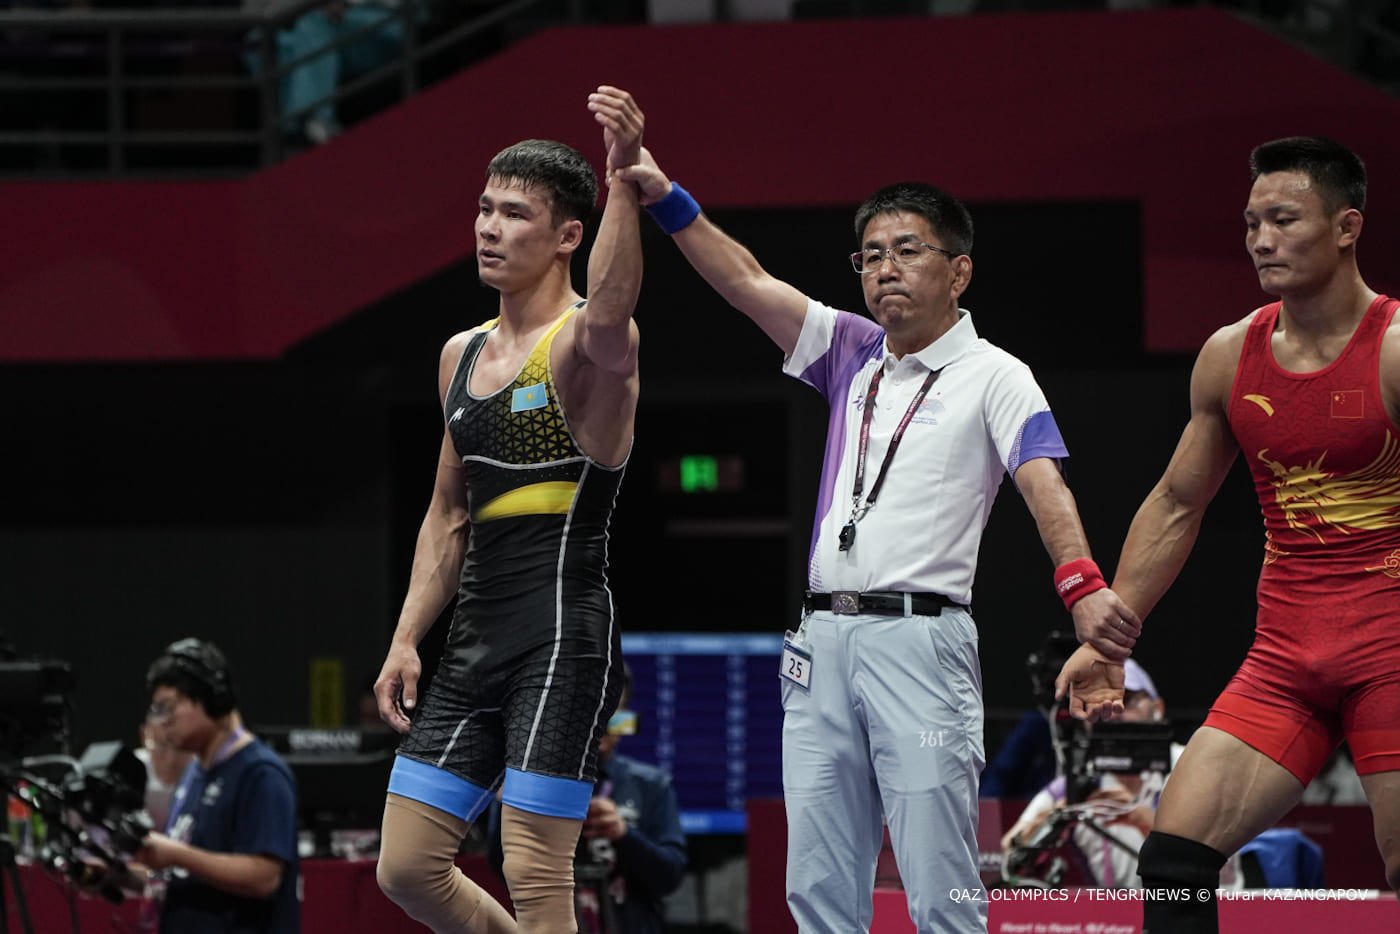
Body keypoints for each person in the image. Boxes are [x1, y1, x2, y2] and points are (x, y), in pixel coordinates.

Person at [612, 127, 1140, 933]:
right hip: (820, 643)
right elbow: (746, 281)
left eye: (907, 250)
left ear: (959, 272)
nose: (884, 268)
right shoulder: (851, 351)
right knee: (817, 885)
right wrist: (665, 197)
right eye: (869, 255)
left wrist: (1084, 592)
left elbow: (1045, 484)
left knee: (939, 885)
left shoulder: (997, 375)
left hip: (920, 644)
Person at [1057, 136, 1400, 932]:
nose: (1261, 240)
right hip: (1287, 661)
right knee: (1173, 859)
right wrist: (1108, 642)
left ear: (1347, 227)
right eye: (1251, 224)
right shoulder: (1228, 355)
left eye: (1283, 220)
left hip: (1392, 651)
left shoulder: (1392, 350)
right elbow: (1177, 503)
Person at [372, 85, 645, 934]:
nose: (489, 228)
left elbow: (614, 306)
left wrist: (623, 179)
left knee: (532, 864)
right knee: (406, 866)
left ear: (568, 236)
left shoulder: (587, 346)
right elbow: (447, 515)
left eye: (515, 214)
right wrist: (406, 637)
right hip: (474, 643)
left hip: (562, 637)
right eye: (485, 209)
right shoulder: (459, 355)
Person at [485, 664, 688, 934]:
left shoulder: (652, 785)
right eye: (587, 711)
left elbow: (671, 876)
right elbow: (501, 870)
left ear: (624, 718)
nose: (599, 724)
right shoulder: (529, 784)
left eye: (612, 713)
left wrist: (624, 834)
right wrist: (508, 807)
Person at [137, 637, 300, 933]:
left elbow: (264, 878)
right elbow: (184, 878)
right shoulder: (194, 771)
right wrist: (114, 875)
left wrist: (175, 853)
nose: (162, 721)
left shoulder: (261, 774)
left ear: (211, 699)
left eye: (169, 707)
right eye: (157, 710)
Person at [1001, 659, 1180, 889]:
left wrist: (1143, 821)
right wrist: (1052, 822)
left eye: (1126, 700)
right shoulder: (1077, 785)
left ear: (1158, 708)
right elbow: (1009, 853)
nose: (1113, 713)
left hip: (1196, 905)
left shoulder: (1188, 764)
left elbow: (1211, 860)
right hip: (1112, 910)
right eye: (1100, 705)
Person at [134, 719, 194, 834]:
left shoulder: (210, 778)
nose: (171, 760)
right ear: (144, 736)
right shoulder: (128, 770)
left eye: (182, 748)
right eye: (161, 746)